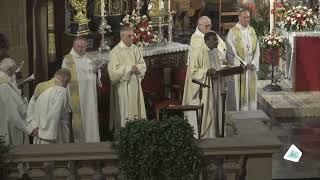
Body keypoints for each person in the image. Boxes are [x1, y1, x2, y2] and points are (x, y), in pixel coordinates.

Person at [182, 32, 225, 138]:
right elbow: (193, 71)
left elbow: (216, 66)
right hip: (202, 89)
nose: (217, 42)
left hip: (213, 86)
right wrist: (206, 71)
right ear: (207, 41)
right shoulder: (198, 51)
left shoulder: (214, 51)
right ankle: (203, 136)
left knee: (213, 110)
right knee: (205, 112)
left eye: (217, 40)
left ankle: (212, 135)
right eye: (214, 40)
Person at [62, 36, 100, 143]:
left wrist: (96, 70)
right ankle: (80, 146)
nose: (80, 49)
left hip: (90, 96)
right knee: (79, 121)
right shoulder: (68, 60)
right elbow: (64, 79)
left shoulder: (89, 58)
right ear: (73, 46)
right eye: (78, 47)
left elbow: (95, 74)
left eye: (83, 47)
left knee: (91, 119)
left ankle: (93, 142)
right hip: (77, 97)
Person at [108, 26, 147, 130]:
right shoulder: (115, 52)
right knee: (125, 113)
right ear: (122, 37)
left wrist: (137, 68)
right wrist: (129, 69)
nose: (132, 38)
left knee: (136, 113)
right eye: (129, 36)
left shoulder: (135, 49)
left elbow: (142, 65)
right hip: (123, 88)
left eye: (132, 35)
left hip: (135, 85)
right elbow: (113, 73)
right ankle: (124, 134)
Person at [226, 9, 260, 111]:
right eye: (244, 17)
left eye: (248, 17)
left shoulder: (252, 30)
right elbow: (231, 51)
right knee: (240, 91)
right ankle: (241, 111)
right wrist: (244, 64)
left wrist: (253, 63)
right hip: (241, 67)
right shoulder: (232, 32)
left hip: (251, 67)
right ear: (239, 17)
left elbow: (257, 48)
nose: (246, 19)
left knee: (251, 91)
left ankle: (252, 111)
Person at [26, 68, 72, 144]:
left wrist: (33, 127)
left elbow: (30, 110)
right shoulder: (61, 91)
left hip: (38, 134)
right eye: (68, 83)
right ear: (66, 80)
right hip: (55, 136)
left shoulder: (40, 87)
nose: (67, 86)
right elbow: (55, 113)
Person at [0, 57, 37, 145]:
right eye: (13, 72)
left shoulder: (5, 83)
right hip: (9, 127)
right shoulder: (4, 86)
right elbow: (13, 114)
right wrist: (29, 130)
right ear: (9, 71)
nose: (14, 76)